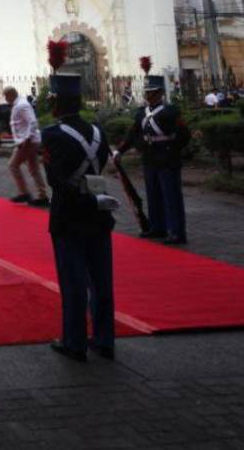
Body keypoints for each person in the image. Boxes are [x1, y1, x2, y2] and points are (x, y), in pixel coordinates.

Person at [41, 72, 117, 362]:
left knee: (73, 282)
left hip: (69, 214)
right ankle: (105, 339)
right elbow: (102, 166)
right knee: (101, 280)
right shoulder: (99, 132)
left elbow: (55, 180)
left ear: (57, 103)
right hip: (98, 211)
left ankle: (75, 342)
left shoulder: (52, 135)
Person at [117, 74, 191, 244]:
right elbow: (133, 133)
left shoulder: (171, 111)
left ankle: (177, 231)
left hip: (167, 158)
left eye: (152, 92)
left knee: (171, 196)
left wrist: (172, 150)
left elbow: (184, 136)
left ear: (160, 93)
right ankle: (157, 227)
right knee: (153, 194)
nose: (148, 96)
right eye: (147, 92)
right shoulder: (141, 112)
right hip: (150, 158)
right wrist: (120, 151)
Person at [5, 86, 49, 207]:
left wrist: (27, 138)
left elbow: (33, 122)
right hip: (29, 141)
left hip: (27, 142)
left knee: (13, 166)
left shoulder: (21, 105)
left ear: (11, 95)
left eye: (6, 96)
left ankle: (25, 193)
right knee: (34, 169)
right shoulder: (19, 104)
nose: (5, 99)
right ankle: (43, 196)